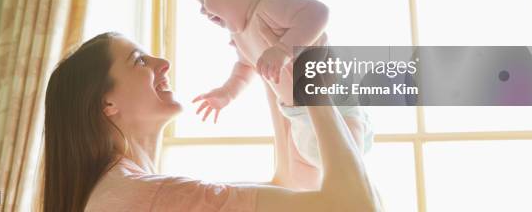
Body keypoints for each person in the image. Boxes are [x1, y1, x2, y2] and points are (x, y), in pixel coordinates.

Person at [43, 32, 381, 211]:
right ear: (107, 103)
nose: (164, 63)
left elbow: (289, 188)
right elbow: (355, 208)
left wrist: (270, 79)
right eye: (139, 61)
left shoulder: (122, 191)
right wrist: (316, 93)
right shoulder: (151, 197)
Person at [188, 0, 372, 171]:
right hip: (298, 119)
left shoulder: (268, 6)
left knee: (348, 163)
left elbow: (318, 12)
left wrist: (283, 49)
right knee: (320, 173)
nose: (202, 10)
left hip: (337, 104)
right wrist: (227, 93)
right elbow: (245, 68)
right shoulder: (240, 35)